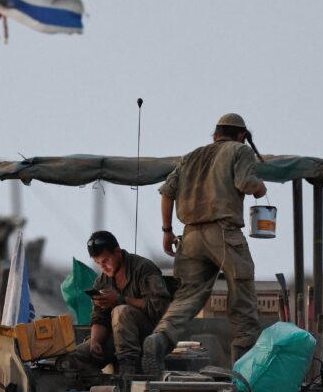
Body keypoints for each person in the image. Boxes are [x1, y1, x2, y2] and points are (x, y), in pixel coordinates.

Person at [143, 112, 266, 372]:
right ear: (242, 136)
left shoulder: (191, 156)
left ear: (216, 134)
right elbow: (245, 183)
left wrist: (167, 230)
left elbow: (166, 193)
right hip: (223, 233)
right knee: (242, 297)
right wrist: (260, 189)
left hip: (190, 236)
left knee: (187, 297)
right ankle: (244, 371)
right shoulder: (239, 151)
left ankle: (160, 338)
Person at [68, 231, 170, 374]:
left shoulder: (143, 268)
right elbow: (99, 317)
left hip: (150, 337)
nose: (103, 267)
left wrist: (120, 299)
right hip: (117, 339)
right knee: (73, 357)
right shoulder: (102, 281)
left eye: (105, 261)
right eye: (98, 263)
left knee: (121, 311)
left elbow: (161, 308)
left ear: (117, 252)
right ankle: (100, 387)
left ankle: (127, 374)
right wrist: (95, 341)